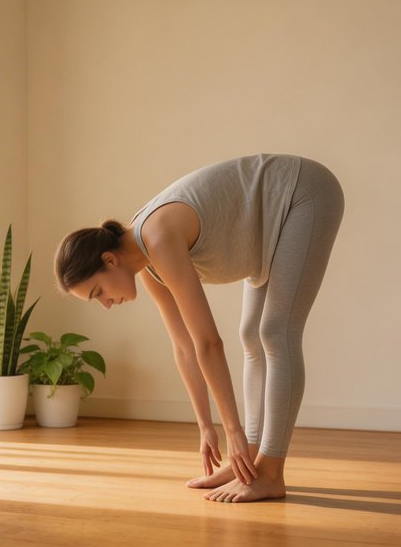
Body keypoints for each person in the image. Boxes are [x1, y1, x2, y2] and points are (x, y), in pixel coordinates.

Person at [54, 154, 344, 503]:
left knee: (275, 331)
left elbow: (208, 343)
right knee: (251, 335)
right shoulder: (147, 264)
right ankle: (250, 463)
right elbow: (185, 346)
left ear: (109, 260)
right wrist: (206, 427)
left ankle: (270, 473)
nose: (105, 304)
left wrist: (232, 430)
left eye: (98, 292)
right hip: (268, 224)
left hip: (302, 193)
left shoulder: (157, 238)